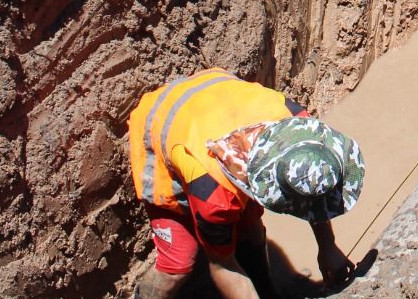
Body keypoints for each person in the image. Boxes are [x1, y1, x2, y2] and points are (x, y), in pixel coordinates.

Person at [128, 68, 364, 299]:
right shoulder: (213, 195)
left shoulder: (303, 129)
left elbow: (311, 189)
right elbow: (222, 266)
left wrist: (327, 246)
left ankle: (265, 289)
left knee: (250, 231)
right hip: (162, 123)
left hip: (216, 95)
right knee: (178, 264)